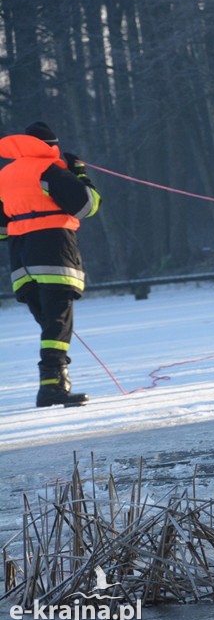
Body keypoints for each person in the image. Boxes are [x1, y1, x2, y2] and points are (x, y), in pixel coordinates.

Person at [0, 122, 101, 407]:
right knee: (58, 321)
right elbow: (88, 206)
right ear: (51, 146)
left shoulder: (5, 175)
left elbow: (1, 228)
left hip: (21, 261)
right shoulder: (49, 171)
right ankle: (52, 387)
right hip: (54, 253)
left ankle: (52, 385)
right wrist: (79, 173)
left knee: (50, 324)